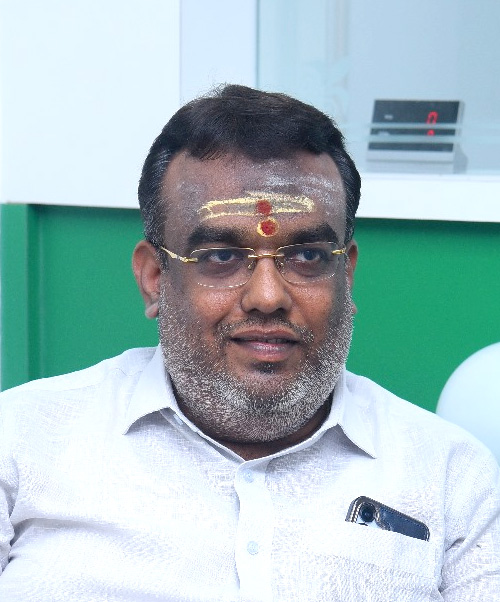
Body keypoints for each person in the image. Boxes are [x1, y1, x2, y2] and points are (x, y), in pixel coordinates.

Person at [0, 85, 498, 601]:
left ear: (346, 278)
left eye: (307, 256)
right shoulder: (21, 441)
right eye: (220, 257)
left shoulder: (450, 476)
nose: (267, 297)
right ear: (154, 278)